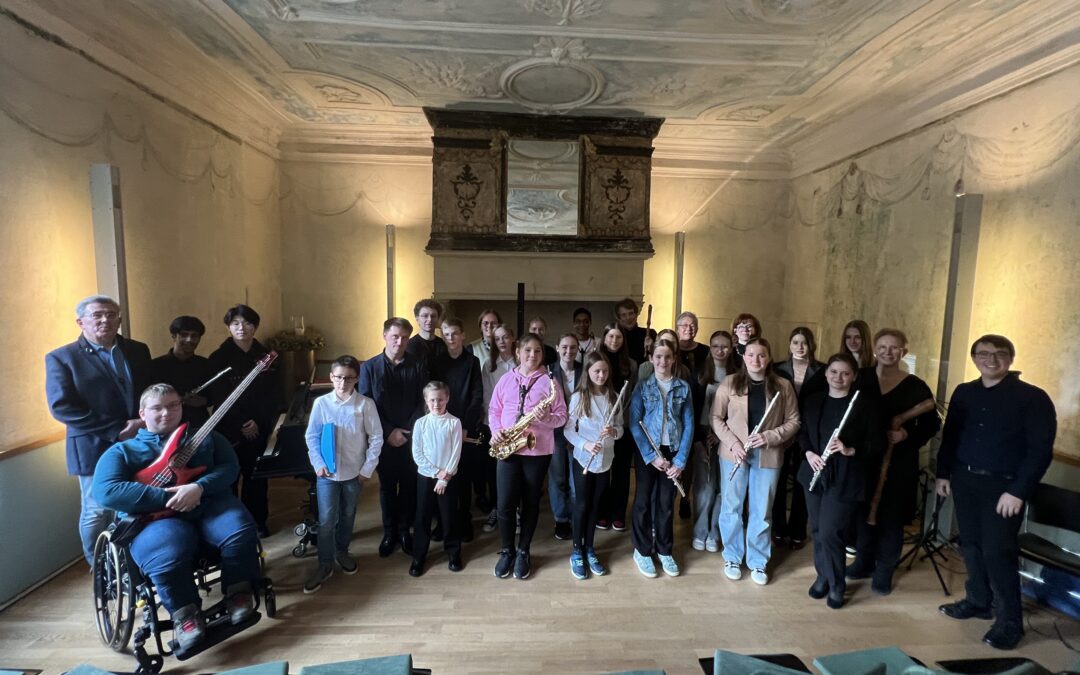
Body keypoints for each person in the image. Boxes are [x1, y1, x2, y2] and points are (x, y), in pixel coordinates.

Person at [92, 384, 259, 651]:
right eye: (157, 408)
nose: (166, 413)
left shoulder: (207, 438)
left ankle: (238, 593)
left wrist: (199, 487)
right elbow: (106, 491)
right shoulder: (121, 452)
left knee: (240, 530)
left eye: (173, 405)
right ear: (142, 413)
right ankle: (186, 615)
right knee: (166, 553)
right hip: (156, 519)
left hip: (209, 504)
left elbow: (230, 467)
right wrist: (165, 497)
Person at [936, 335, 1055, 650]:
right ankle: (978, 600)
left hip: (1003, 487)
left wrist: (1018, 491)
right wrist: (943, 473)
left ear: (1011, 359)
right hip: (964, 480)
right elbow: (950, 437)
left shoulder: (1032, 398)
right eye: (983, 354)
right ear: (974, 358)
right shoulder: (964, 393)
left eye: (1000, 354)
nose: (991, 359)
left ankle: (1009, 622)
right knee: (971, 545)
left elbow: (1040, 451)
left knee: (997, 552)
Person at [46, 295, 152, 565]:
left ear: (119, 319)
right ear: (81, 322)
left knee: (132, 505)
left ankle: (130, 564)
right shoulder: (62, 358)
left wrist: (144, 422)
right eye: (97, 315)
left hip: (138, 440)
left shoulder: (138, 350)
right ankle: (99, 568)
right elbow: (62, 407)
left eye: (111, 314)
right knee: (97, 509)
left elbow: (150, 391)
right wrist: (116, 429)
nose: (105, 320)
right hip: (92, 445)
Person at [848, 329, 939, 595]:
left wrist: (905, 434)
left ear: (904, 352)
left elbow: (932, 423)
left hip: (898, 462)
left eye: (895, 347)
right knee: (861, 512)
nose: (888, 352)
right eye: (883, 346)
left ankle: (884, 569)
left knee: (891, 517)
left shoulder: (915, 385)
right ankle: (863, 562)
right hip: (864, 459)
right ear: (875, 349)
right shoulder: (861, 378)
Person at [712, 337, 800, 585]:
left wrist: (769, 436)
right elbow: (716, 418)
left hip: (768, 454)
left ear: (769, 357)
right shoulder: (730, 383)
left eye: (761, 355)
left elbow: (794, 421)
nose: (756, 360)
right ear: (743, 357)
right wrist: (733, 443)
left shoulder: (783, 386)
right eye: (750, 355)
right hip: (734, 455)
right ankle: (732, 555)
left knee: (762, 510)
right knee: (732, 507)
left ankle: (758, 561)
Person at [798, 353, 882, 609]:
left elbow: (877, 444)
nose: (839, 378)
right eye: (834, 372)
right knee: (816, 530)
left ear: (854, 376)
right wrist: (810, 453)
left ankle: (836, 584)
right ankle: (823, 575)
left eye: (845, 373)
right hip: (815, 471)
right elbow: (803, 434)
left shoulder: (865, 405)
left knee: (830, 531)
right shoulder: (813, 401)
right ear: (826, 374)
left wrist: (849, 450)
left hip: (846, 477)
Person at [489, 333, 568, 580]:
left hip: (537, 450)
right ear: (517, 353)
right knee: (504, 504)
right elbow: (494, 410)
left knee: (531, 501)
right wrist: (496, 431)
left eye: (537, 351)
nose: (532, 355)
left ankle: (524, 550)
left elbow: (562, 416)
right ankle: (506, 550)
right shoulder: (505, 380)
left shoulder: (550, 383)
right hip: (508, 447)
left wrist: (545, 418)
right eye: (527, 351)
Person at [303, 355, 383, 594]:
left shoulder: (365, 405)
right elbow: (311, 437)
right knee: (327, 520)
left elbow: (376, 437)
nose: (342, 383)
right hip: (326, 473)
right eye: (338, 377)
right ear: (331, 377)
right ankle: (324, 563)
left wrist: (366, 469)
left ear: (356, 379)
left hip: (353, 472)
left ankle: (342, 551)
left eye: (348, 378)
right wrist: (317, 463)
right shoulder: (321, 404)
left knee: (348, 513)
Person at [207, 304, 281, 538]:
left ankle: (258, 522)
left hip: (259, 427)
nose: (242, 328)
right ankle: (231, 527)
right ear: (228, 327)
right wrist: (242, 422)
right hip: (229, 428)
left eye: (247, 323)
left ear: (255, 326)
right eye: (236, 323)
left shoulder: (267, 355)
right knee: (229, 478)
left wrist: (257, 421)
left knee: (257, 478)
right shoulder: (218, 358)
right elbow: (219, 396)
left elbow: (273, 394)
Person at [359, 317, 429, 558]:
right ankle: (389, 532)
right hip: (383, 438)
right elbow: (367, 405)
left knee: (409, 486)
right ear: (385, 336)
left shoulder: (418, 365)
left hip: (411, 437)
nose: (400, 342)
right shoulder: (369, 367)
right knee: (387, 488)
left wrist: (406, 432)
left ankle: (404, 531)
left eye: (404, 337)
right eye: (395, 336)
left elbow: (424, 402)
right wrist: (389, 432)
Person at [628, 339, 694, 578]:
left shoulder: (683, 388)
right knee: (643, 501)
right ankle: (642, 550)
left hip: (673, 452)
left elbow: (689, 426)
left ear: (673, 359)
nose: (662, 361)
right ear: (651, 359)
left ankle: (665, 550)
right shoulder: (643, 387)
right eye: (658, 357)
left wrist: (680, 461)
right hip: (649, 453)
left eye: (667, 357)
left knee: (667, 503)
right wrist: (650, 456)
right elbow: (634, 424)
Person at [564, 352, 623, 579]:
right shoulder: (579, 397)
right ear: (587, 372)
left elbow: (621, 428)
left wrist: (614, 432)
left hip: (605, 460)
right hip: (583, 458)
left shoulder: (613, 396)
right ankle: (576, 550)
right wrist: (585, 444)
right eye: (596, 371)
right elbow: (568, 430)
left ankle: (590, 548)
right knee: (582, 505)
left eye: (604, 371)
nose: (601, 375)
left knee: (596, 506)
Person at [772, 327, 826, 549]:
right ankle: (778, 530)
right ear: (789, 344)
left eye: (804, 342)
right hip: (783, 431)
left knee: (804, 482)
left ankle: (797, 531)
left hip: (810, 433)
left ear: (811, 345)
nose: (800, 347)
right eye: (795, 342)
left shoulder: (822, 371)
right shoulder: (777, 369)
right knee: (779, 479)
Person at [433, 317, 484, 542]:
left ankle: (464, 520)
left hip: (464, 428)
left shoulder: (472, 362)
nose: (451, 338)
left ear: (463, 335)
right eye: (446, 334)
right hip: (441, 427)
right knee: (442, 475)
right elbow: (432, 395)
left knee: (463, 477)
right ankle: (444, 522)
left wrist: (464, 427)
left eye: (455, 333)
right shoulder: (437, 361)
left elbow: (476, 396)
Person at [410, 381, 464, 577]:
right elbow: (417, 454)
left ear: (447, 398)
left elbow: (456, 453)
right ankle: (419, 556)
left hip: (448, 479)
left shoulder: (454, 422)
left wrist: (445, 477)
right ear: (426, 400)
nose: (436, 403)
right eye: (432, 399)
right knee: (422, 516)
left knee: (449, 516)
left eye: (440, 399)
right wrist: (436, 473)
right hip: (426, 477)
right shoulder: (420, 423)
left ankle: (453, 553)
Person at [691, 330, 737, 552]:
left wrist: (724, 436)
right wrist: (699, 440)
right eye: (716, 346)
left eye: (725, 346)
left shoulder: (737, 374)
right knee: (705, 486)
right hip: (704, 434)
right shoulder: (699, 372)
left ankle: (714, 531)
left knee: (723, 487)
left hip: (729, 436)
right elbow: (692, 409)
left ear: (731, 348)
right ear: (710, 348)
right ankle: (700, 531)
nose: (721, 350)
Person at [595, 323, 637, 531]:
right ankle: (602, 512)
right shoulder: (595, 360)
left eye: (618, 337)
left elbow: (632, 397)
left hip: (622, 424)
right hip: (600, 425)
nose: (614, 341)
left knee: (621, 471)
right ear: (604, 338)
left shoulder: (631, 365)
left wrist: (622, 420)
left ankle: (618, 512)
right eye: (610, 336)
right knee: (603, 469)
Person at [479, 324, 518, 532]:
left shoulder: (520, 362)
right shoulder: (489, 365)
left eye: (505, 337)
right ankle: (496, 509)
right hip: (495, 427)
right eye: (497, 338)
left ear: (512, 338)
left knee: (516, 471)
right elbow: (487, 397)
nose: (502, 341)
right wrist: (495, 427)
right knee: (495, 472)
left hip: (517, 427)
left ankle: (516, 511)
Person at [150, 315, 214, 427]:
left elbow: (215, 396)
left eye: (194, 336)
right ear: (174, 336)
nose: (189, 340)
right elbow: (149, 398)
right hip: (166, 425)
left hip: (198, 425)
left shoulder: (206, 364)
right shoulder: (155, 365)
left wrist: (203, 401)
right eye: (184, 335)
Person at [548, 333, 582, 540]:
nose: (568, 351)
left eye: (572, 347)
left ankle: (575, 517)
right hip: (555, 433)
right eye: (564, 347)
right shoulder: (548, 372)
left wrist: (575, 432)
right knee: (558, 477)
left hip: (578, 433)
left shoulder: (584, 371)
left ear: (578, 349)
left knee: (575, 479)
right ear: (557, 347)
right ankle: (561, 519)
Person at [615, 298, 656, 365]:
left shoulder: (650, 334)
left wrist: (652, 347)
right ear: (619, 318)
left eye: (631, 313)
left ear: (636, 315)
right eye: (624, 315)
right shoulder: (615, 337)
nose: (628, 318)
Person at [406, 299, 447, 364]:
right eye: (425, 316)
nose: (429, 319)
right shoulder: (408, 346)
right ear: (417, 319)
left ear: (438, 318)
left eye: (433, 316)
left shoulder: (444, 345)